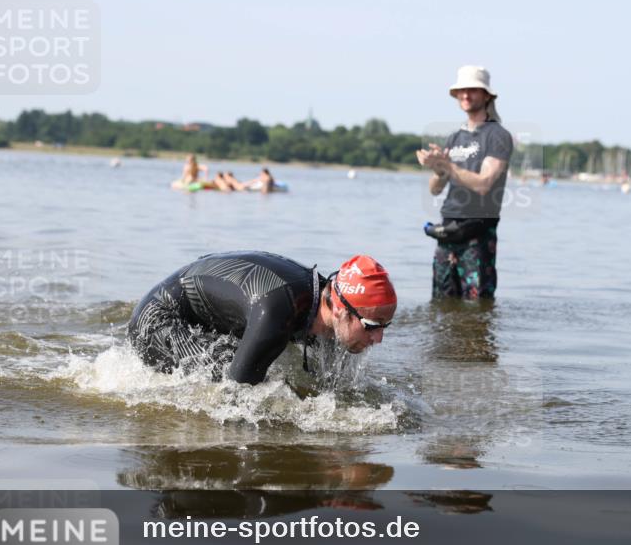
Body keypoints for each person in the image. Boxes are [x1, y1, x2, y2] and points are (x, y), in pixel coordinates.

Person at [127, 252, 397, 385]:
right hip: (158, 320)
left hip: (206, 316)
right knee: (233, 374)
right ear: (340, 311)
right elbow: (237, 396)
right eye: (371, 327)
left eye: (385, 327)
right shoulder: (278, 313)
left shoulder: (324, 306)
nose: (379, 338)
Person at [416, 65, 513, 299]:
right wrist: (439, 168)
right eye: (462, 90)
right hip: (447, 231)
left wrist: (448, 165)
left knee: (478, 305)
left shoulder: (497, 135)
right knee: (440, 304)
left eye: (473, 90)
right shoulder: (455, 137)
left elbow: (484, 183)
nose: (466, 95)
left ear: (487, 95)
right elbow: (435, 189)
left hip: (478, 234)